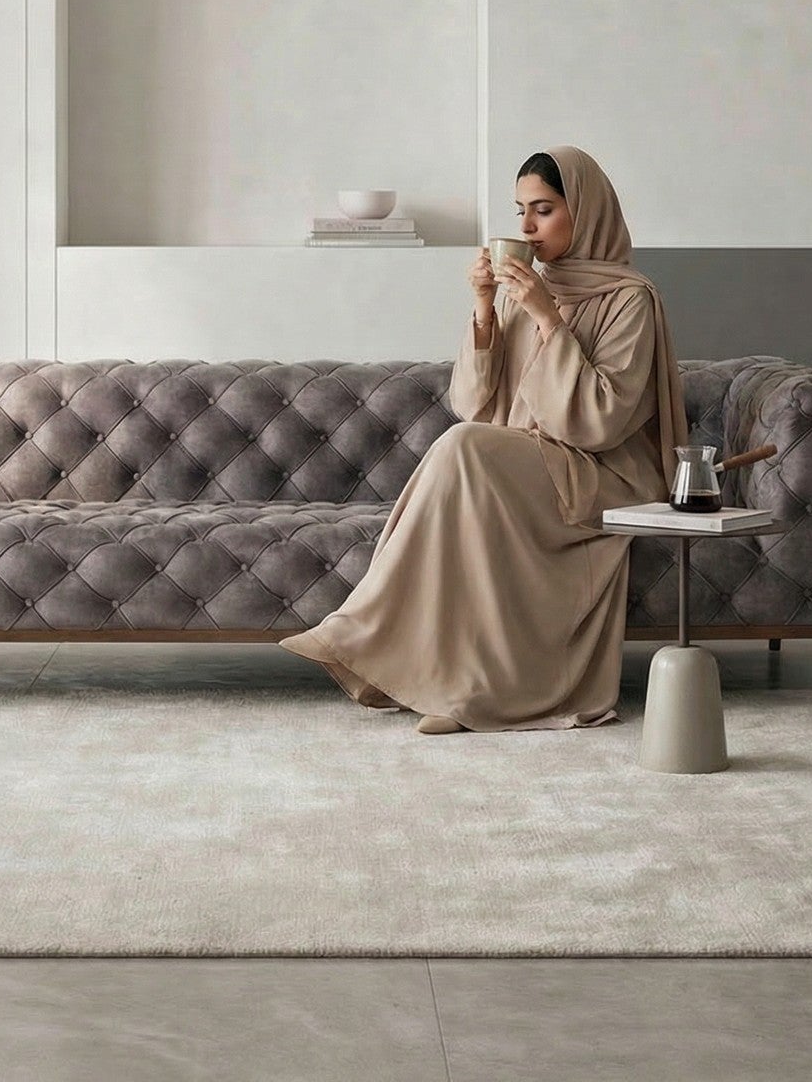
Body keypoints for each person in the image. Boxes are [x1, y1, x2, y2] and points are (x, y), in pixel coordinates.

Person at [277, 145, 691, 735]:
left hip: (604, 476)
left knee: (464, 447)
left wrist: (548, 318)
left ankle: (366, 632)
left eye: (543, 210)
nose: (527, 228)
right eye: (521, 211)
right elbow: (476, 405)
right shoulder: (528, 290)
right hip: (532, 465)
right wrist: (484, 309)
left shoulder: (630, 299)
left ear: (586, 212)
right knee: (466, 451)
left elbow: (600, 420)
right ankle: (454, 687)